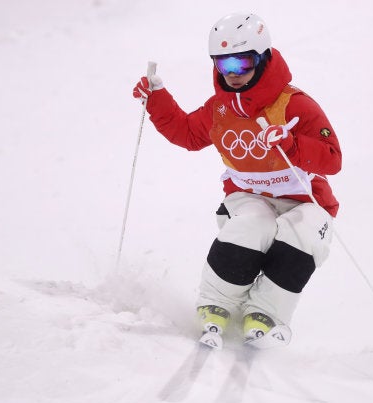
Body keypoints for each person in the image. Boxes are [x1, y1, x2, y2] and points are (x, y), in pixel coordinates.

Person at [132, 12, 342, 348]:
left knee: (303, 231)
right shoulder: (220, 109)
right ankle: (216, 304)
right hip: (248, 198)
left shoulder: (294, 105)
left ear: (262, 58)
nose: (233, 75)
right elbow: (187, 133)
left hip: (304, 199)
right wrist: (156, 99)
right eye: (224, 65)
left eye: (242, 64)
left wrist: (291, 144)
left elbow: (333, 159)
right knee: (254, 223)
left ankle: (265, 314)